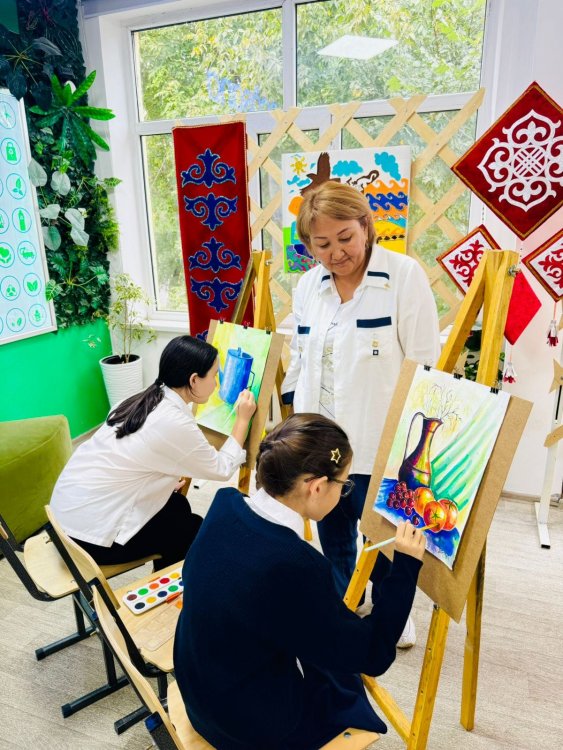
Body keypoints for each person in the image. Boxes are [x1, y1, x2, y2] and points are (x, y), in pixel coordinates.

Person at [174, 414, 425, 750]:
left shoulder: (225, 504)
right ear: (316, 487)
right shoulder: (296, 565)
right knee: (340, 678)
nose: (343, 492)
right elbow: (374, 654)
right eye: (344, 485)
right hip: (243, 727)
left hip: (198, 691)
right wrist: (406, 567)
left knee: (320, 649)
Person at [281, 182, 440, 646]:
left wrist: (413, 445)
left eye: (345, 238)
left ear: (366, 226)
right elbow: (300, 356)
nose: (336, 254)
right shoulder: (309, 286)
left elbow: (424, 366)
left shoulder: (403, 276)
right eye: (322, 244)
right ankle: (343, 600)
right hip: (320, 442)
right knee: (332, 531)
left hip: (378, 441)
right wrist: (293, 419)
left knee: (383, 536)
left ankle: (394, 611)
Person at [50, 335, 256, 570]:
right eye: (214, 375)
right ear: (194, 380)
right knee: (191, 529)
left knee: (177, 506)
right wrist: (242, 419)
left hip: (63, 521)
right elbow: (222, 468)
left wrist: (161, 482)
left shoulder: (138, 399)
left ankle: (166, 575)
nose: (217, 383)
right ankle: (168, 585)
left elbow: (132, 458)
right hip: (86, 542)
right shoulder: (174, 421)